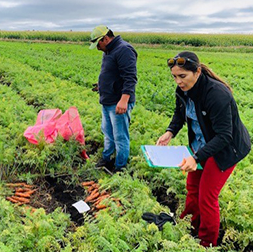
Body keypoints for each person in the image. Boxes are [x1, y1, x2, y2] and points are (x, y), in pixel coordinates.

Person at [156, 51, 251, 247]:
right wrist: (170, 132)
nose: (178, 81)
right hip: (202, 146)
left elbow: (225, 135)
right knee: (192, 187)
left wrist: (197, 157)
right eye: (174, 76)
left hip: (225, 150)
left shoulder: (216, 94)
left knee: (207, 196)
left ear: (197, 71)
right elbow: (179, 114)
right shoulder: (182, 90)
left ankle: (206, 243)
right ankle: (189, 225)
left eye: (182, 76)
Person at [90, 25, 138, 172]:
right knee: (107, 133)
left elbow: (130, 78)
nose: (97, 48)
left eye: (98, 44)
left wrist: (123, 100)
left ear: (105, 39)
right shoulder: (109, 50)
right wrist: (102, 85)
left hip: (118, 102)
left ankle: (119, 167)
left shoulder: (124, 50)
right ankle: (106, 159)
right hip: (107, 100)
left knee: (120, 136)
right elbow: (112, 73)